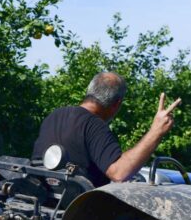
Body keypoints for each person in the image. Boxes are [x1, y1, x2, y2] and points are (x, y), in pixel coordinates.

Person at [32, 72, 181, 186]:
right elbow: (119, 173)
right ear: (117, 103)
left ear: (89, 91)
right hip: (82, 214)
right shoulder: (94, 125)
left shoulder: (55, 115)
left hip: (45, 200)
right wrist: (156, 131)